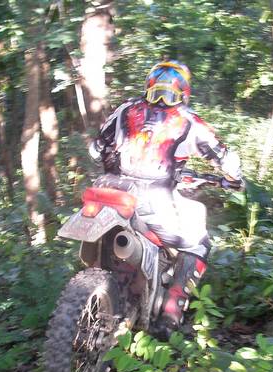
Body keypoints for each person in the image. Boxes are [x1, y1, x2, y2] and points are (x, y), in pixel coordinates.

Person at [88, 60, 243, 338]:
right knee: (198, 242)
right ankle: (172, 311)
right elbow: (225, 159)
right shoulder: (188, 121)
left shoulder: (125, 109)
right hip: (153, 198)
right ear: (184, 91)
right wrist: (234, 178)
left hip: (110, 190)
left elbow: (95, 149)